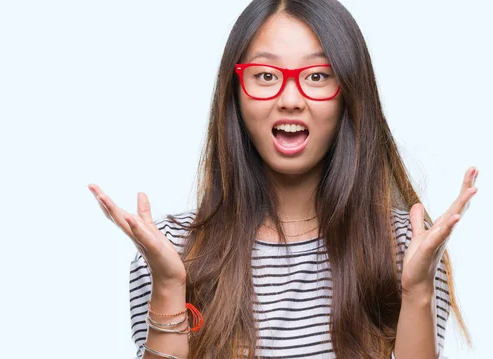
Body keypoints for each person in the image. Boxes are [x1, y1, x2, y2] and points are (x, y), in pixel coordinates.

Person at [89, 0, 477, 357]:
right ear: (235, 94)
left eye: (318, 76)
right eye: (265, 75)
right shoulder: (169, 251)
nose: (290, 98)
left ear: (350, 94)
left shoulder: (407, 248)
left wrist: (418, 292)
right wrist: (171, 286)